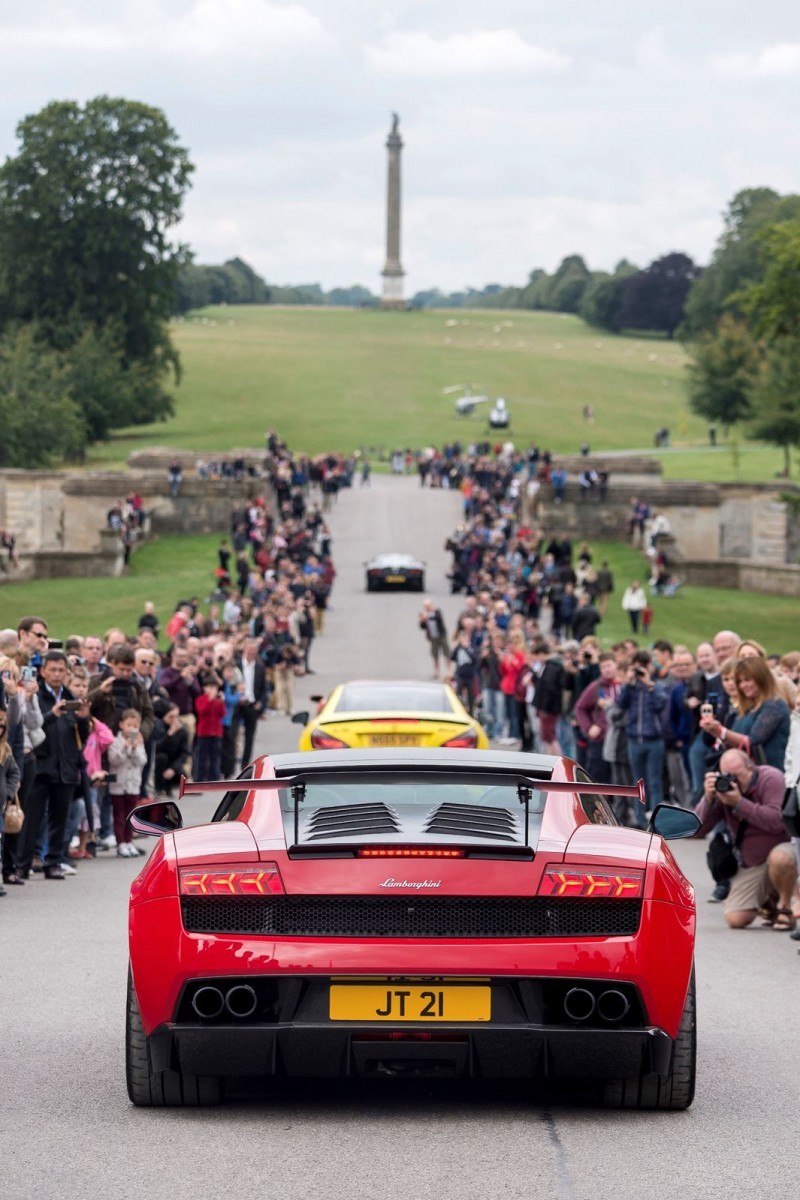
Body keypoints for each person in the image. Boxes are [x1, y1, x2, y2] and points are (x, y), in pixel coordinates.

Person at [697, 749, 797, 929]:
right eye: (728, 776)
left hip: (782, 849)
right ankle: (768, 901)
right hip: (752, 862)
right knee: (735, 919)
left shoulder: (771, 778)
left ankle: (785, 908)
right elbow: (697, 829)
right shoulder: (723, 789)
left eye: (737, 775)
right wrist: (708, 798)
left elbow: (776, 821)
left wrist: (739, 804)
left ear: (751, 767)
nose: (732, 781)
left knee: (780, 858)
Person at [17, 650, 91, 881]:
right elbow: (31, 727)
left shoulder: (70, 696)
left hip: (65, 767)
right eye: (53, 670)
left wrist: (83, 718)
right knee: (32, 818)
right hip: (40, 766)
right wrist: (51, 714)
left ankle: (54, 862)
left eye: (61, 670)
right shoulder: (36, 696)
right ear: (43, 671)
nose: (57, 675)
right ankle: (22, 864)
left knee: (61, 818)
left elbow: (82, 738)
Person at [700, 656, 790, 771]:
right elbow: (732, 741)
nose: (742, 685)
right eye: (740, 681)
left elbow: (753, 742)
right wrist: (713, 730)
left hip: (768, 775)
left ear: (761, 678)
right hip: (745, 775)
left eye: (747, 680)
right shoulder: (747, 708)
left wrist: (720, 731)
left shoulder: (774, 705)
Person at [616, 652, 669, 825]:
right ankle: (640, 818)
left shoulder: (657, 686)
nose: (640, 671)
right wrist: (628, 683)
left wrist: (649, 684)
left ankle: (657, 818)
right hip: (634, 740)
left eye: (643, 667)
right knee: (638, 782)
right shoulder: (630, 688)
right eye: (637, 667)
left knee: (654, 779)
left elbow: (661, 704)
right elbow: (620, 704)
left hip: (654, 740)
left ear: (649, 667)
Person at [107, 709, 147, 858]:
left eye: (135, 726)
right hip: (118, 785)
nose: (132, 729)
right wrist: (125, 747)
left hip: (133, 785)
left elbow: (142, 761)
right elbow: (114, 760)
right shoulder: (115, 741)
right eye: (129, 725)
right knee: (119, 815)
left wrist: (136, 747)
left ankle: (129, 840)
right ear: (121, 725)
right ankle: (120, 843)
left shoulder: (139, 742)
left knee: (131, 815)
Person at [234, 638, 269, 769]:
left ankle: (245, 765)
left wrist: (260, 703)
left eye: (254, 650)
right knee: (232, 735)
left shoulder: (260, 667)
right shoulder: (236, 665)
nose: (251, 652)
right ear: (244, 649)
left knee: (249, 737)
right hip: (237, 705)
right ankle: (230, 764)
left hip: (252, 705)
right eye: (249, 649)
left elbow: (264, 689)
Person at [154, 705, 191, 796]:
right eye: (171, 716)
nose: (174, 720)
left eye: (176, 716)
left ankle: (171, 788)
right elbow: (157, 748)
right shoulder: (159, 726)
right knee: (162, 758)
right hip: (161, 762)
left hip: (174, 763)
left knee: (182, 774)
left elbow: (184, 753)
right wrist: (169, 734)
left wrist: (173, 769)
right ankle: (160, 788)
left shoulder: (182, 730)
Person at [194, 679, 226, 782]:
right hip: (204, 732)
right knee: (202, 757)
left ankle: (214, 777)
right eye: (210, 687)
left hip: (216, 732)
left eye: (214, 688)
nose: (212, 690)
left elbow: (222, 713)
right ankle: (199, 778)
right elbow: (202, 711)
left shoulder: (218, 701)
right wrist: (210, 700)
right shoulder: (200, 699)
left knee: (215, 756)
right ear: (204, 688)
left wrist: (221, 702)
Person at [418, 600, 449, 680]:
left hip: (441, 635)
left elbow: (438, 618)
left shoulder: (437, 611)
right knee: (435, 654)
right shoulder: (424, 614)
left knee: (446, 652)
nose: (427, 607)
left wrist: (427, 616)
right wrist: (422, 620)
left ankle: (448, 670)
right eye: (426, 606)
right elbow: (422, 626)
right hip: (433, 637)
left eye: (428, 605)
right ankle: (436, 671)